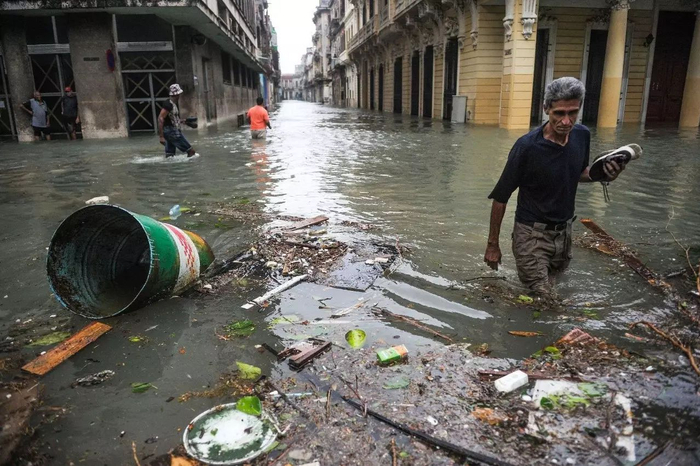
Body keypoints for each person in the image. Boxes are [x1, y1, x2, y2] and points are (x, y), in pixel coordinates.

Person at [483, 77, 626, 298]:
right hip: (531, 235)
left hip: (564, 234)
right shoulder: (527, 147)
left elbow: (579, 173)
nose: (566, 121)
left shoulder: (582, 135)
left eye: (573, 113)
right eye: (559, 113)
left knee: (555, 288)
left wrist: (604, 175)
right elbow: (501, 197)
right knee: (545, 299)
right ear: (546, 109)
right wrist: (492, 245)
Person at [158, 83, 196, 158]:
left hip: (170, 131)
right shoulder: (168, 104)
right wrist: (161, 136)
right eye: (179, 94)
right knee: (191, 152)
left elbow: (172, 119)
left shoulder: (173, 104)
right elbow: (160, 118)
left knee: (170, 156)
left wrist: (185, 121)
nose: (179, 96)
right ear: (176, 94)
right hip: (171, 131)